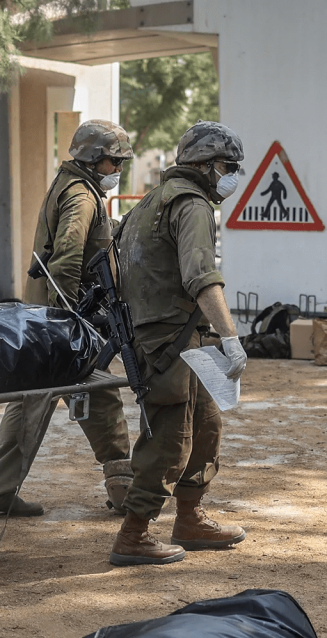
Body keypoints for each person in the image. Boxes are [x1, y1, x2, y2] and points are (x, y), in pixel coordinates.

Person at [0, 120, 136, 517]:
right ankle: (123, 490)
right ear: (96, 160)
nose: (118, 171)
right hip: (60, 322)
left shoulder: (69, 185)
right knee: (102, 395)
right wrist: (72, 324)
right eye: (115, 162)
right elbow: (66, 258)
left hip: (43, 319)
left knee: (30, 403)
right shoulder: (82, 195)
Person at [107, 121, 250, 565]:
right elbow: (201, 277)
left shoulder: (151, 201)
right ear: (206, 165)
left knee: (206, 428)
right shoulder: (191, 205)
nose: (232, 176)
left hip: (177, 335)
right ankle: (134, 534)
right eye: (228, 167)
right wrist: (231, 337)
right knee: (171, 438)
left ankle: (189, 517)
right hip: (169, 340)